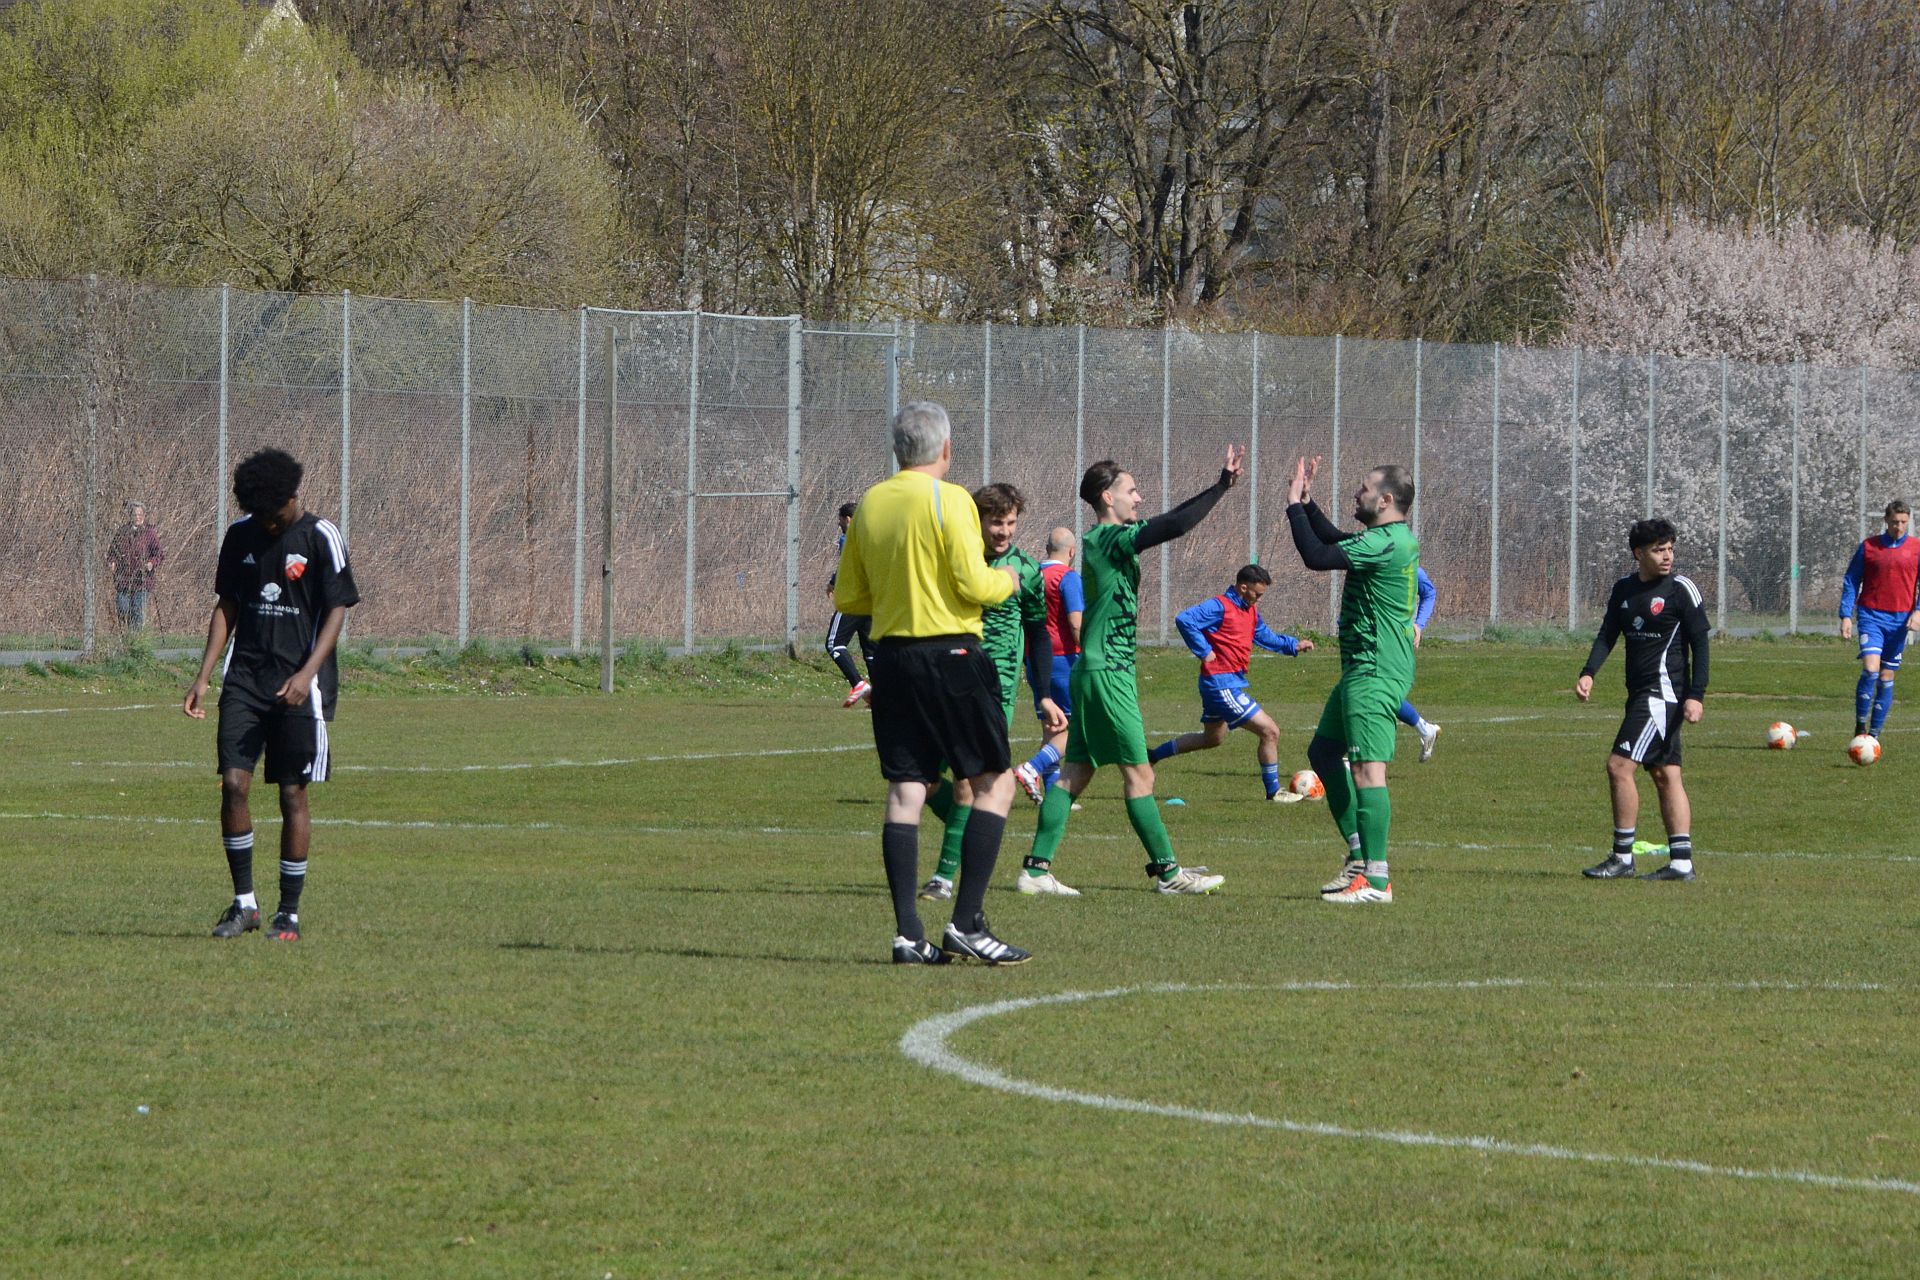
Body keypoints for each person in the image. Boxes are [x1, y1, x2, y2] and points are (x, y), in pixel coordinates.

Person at [834, 402, 1031, 965]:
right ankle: (967, 921)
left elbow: (848, 598)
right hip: (952, 653)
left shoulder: (871, 503)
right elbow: (974, 584)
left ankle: (907, 935)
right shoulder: (951, 500)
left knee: (907, 790)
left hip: (891, 660)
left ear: (899, 451)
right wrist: (1009, 579)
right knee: (995, 783)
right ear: (946, 449)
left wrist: (900, 594)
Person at [1018, 448, 1244, 898]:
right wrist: (1220, 486)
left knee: (1075, 772)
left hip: (1094, 670)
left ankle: (1036, 871)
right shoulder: (1107, 539)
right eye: (1132, 490)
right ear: (1107, 497)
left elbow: (1168, 518)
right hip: (1108, 674)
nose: (1139, 498)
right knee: (1140, 775)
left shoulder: (1107, 539)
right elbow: (1174, 525)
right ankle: (1168, 873)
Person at [184, 448, 360, 941]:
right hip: (245, 681)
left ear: (291, 498)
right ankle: (245, 905)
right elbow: (228, 605)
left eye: (272, 513)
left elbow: (337, 609)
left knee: (291, 793)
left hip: (301, 689)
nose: (265, 523)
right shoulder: (241, 535)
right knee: (234, 785)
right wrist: (204, 676)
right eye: (257, 514)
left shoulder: (321, 536)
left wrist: (307, 674)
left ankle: (289, 912)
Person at [919, 484, 1067, 901]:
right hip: (943, 682)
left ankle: (944, 878)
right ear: (978, 520)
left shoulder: (1027, 570)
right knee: (923, 781)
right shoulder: (956, 561)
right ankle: (976, 830)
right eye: (996, 522)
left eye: (1011, 523)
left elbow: (1038, 634)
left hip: (993, 691)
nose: (1004, 531)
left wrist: (1042, 694)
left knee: (969, 783)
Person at [1285, 455, 1419, 905]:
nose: (1355, 494)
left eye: (1362, 489)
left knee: (1366, 770)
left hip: (1375, 668)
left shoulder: (1388, 542)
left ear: (1385, 500)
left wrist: (1292, 507)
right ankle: (1359, 858)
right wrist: (1307, 503)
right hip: (1363, 667)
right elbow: (1336, 540)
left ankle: (1377, 881)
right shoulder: (1386, 538)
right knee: (1323, 752)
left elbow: (1317, 556)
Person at [1575, 517, 1709, 882]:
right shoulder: (1623, 590)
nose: (1667, 556)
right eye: (1658, 550)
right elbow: (1608, 634)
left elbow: (1701, 644)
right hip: (1641, 694)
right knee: (1666, 774)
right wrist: (1589, 672)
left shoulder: (1681, 590)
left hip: (1661, 696)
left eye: (1670, 549)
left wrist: (1696, 695)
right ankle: (1681, 864)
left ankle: (1622, 857)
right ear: (1638, 553)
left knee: (1619, 767)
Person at [1147, 564, 1314, 801]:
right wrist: (1204, 650)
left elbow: (1264, 635)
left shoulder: (1250, 610)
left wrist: (1293, 645)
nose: (1259, 599)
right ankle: (1274, 792)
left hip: (1225, 682)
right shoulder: (1220, 606)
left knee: (1212, 739)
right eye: (1257, 593)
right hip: (1220, 684)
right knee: (1270, 731)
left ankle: (1152, 756)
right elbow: (1185, 619)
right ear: (1243, 587)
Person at [1838, 499, 1919, 741]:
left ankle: (1873, 735)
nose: (1899, 527)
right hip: (1871, 615)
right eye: (1895, 522)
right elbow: (1851, 580)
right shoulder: (1869, 547)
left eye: (1904, 522)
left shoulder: (1916, 549)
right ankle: (1861, 726)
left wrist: (1918, 611)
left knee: (1886, 676)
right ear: (1886, 520)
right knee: (1871, 670)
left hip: (1900, 621)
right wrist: (1845, 616)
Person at [1014, 527, 1083, 802]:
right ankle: (1031, 768)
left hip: (1034, 660)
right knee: (1078, 728)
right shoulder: (1068, 578)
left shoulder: (1030, 574)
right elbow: (1075, 623)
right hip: (1064, 660)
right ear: (1072, 552)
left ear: (1046, 549)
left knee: (1052, 728)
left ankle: (1054, 796)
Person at [824, 502, 874, 707]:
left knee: (834, 643)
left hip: (854, 600)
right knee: (871, 651)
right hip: (872, 600)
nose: (839, 523)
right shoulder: (873, 536)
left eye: (840, 519)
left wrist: (833, 582)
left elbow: (848, 564)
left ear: (849, 519)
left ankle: (858, 683)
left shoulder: (849, 538)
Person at [1396, 567, 1442, 762]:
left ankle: (1425, 729)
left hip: (1396, 640)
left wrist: (1419, 624)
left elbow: (1429, 592)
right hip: (1370, 638)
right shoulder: (1371, 558)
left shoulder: (1408, 566)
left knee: (1377, 690)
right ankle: (1425, 729)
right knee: (1370, 691)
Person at [107, 501, 165, 630]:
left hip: (142, 580)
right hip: (124, 579)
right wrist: (112, 562)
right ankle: (130, 632)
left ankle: (137, 639)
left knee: (137, 609)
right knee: (123, 608)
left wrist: (151, 563)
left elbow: (159, 554)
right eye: (134, 514)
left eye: (140, 514)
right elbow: (112, 552)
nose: (137, 517)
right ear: (130, 516)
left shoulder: (149, 533)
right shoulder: (122, 532)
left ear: (144, 516)